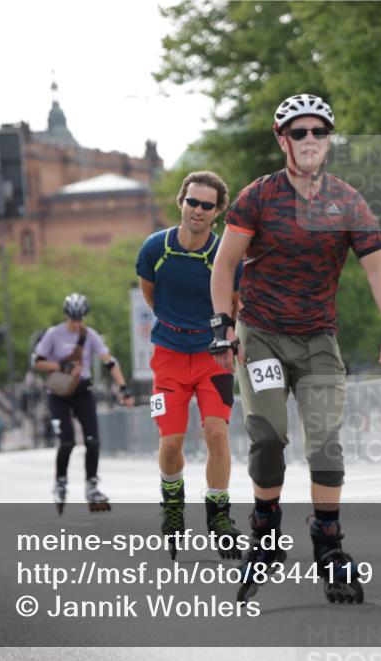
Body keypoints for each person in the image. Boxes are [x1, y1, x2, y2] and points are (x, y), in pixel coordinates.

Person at [209, 94, 381, 602]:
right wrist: (222, 326)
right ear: (282, 139)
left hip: (318, 336)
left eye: (318, 132)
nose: (309, 140)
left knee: (325, 444)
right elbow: (225, 264)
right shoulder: (259, 196)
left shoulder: (348, 201)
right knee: (269, 434)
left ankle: (328, 542)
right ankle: (266, 531)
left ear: (329, 139)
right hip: (261, 335)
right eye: (298, 132)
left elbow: (376, 265)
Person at [136, 171, 244, 559]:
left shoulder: (224, 254)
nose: (198, 210)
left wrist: (226, 339)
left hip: (213, 355)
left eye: (207, 206)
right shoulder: (155, 248)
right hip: (167, 356)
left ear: (217, 212)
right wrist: (177, 325)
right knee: (171, 442)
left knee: (216, 433)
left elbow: (234, 305)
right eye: (192, 202)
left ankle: (219, 515)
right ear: (181, 201)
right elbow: (151, 296)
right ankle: (172, 502)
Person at [33, 293, 134, 512]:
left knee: (92, 440)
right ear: (66, 315)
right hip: (58, 393)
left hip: (82, 391)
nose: (77, 323)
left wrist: (123, 387)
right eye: (73, 318)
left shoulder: (90, 335)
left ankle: (92, 485)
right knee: (67, 442)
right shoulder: (53, 334)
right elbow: (37, 361)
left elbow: (109, 361)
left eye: (80, 318)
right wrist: (60, 366)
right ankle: (60, 482)